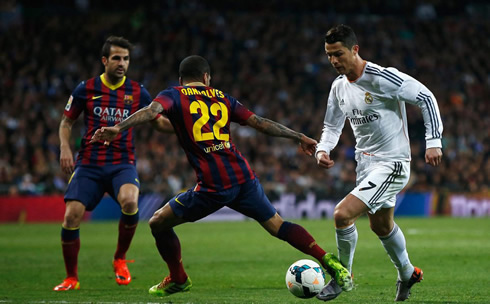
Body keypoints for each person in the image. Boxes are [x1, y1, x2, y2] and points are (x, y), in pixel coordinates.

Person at [91, 55, 354, 297]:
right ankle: (327, 259)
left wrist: (118, 127)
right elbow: (259, 122)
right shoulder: (222, 97)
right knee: (278, 226)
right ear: (207, 77)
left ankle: (179, 278)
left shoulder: (173, 94)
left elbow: (151, 111)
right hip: (243, 177)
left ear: (181, 79)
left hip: (213, 186)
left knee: (158, 223)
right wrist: (298, 136)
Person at [314, 25, 443, 302]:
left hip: (393, 163)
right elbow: (331, 126)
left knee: (341, 214)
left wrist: (434, 141)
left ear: (355, 50)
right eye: (328, 56)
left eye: (338, 54)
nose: (334, 61)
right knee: (381, 226)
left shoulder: (383, 78)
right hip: (366, 164)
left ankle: (341, 277)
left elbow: (426, 98)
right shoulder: (338, 87)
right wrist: (322, 149)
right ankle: (407, 272)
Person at [53, 36, 173, 291]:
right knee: (71, 215)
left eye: (126, 59)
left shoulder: (138, 91)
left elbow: (158, 123)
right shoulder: (85, 89)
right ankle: (71, 278)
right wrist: (64, 147)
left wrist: (185, 128)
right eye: (117, 58)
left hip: (122, 162)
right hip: (89, 163)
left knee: (130, 201)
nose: (122, 63)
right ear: (105, 60)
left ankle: (120, 258)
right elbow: (66, 122)